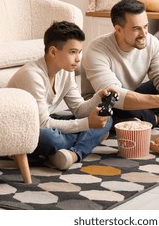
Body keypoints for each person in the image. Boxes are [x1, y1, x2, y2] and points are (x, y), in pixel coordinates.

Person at [7, 21, 116, 170]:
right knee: (51, 138)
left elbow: (79, 110)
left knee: (105, 118)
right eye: (73, 52)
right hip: (21, 130)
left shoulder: (65, 72)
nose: (78, 59)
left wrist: (98, 97)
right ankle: (88, 141)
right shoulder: (32, 75)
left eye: (79, 51)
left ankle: (72, 154)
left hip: (44, 122)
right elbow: (43, 124)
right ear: (53, 52)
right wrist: (88, 125)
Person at [81, 0, 159, 128]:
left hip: (131, 93)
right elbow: (114, 95)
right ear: (118, 29)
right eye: (136, 29)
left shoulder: (152, 42)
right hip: (104, 102)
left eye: (145, 26)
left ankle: (142, 117)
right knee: (112, 109)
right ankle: (158, 118)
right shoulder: (96, 50)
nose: (144, 34)